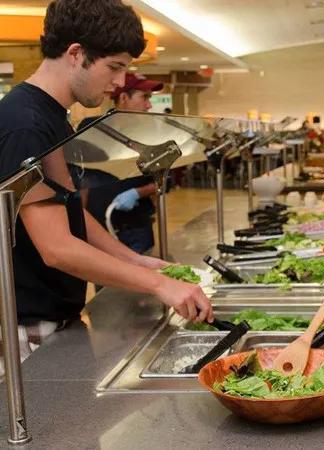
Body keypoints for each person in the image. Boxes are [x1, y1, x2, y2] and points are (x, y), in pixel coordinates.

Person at [0, 0, 213, 362]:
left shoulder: (53, 116)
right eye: (114, 67)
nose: (119, 82)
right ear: (75, 54)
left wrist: (135, 261)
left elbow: (70, 210)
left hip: (59, 312)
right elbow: (56, 248)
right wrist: (159, 284)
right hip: (31, 323)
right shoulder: (26, 124)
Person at [77, 73, 164, 254]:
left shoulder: (151, 133)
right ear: (123, 98)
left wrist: (137, 192)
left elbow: (163, 181)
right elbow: (81, 177)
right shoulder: (92, 128)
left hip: (136, 230)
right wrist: (80, 221)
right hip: (98, 228)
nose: (149, 105)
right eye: (144, 97)